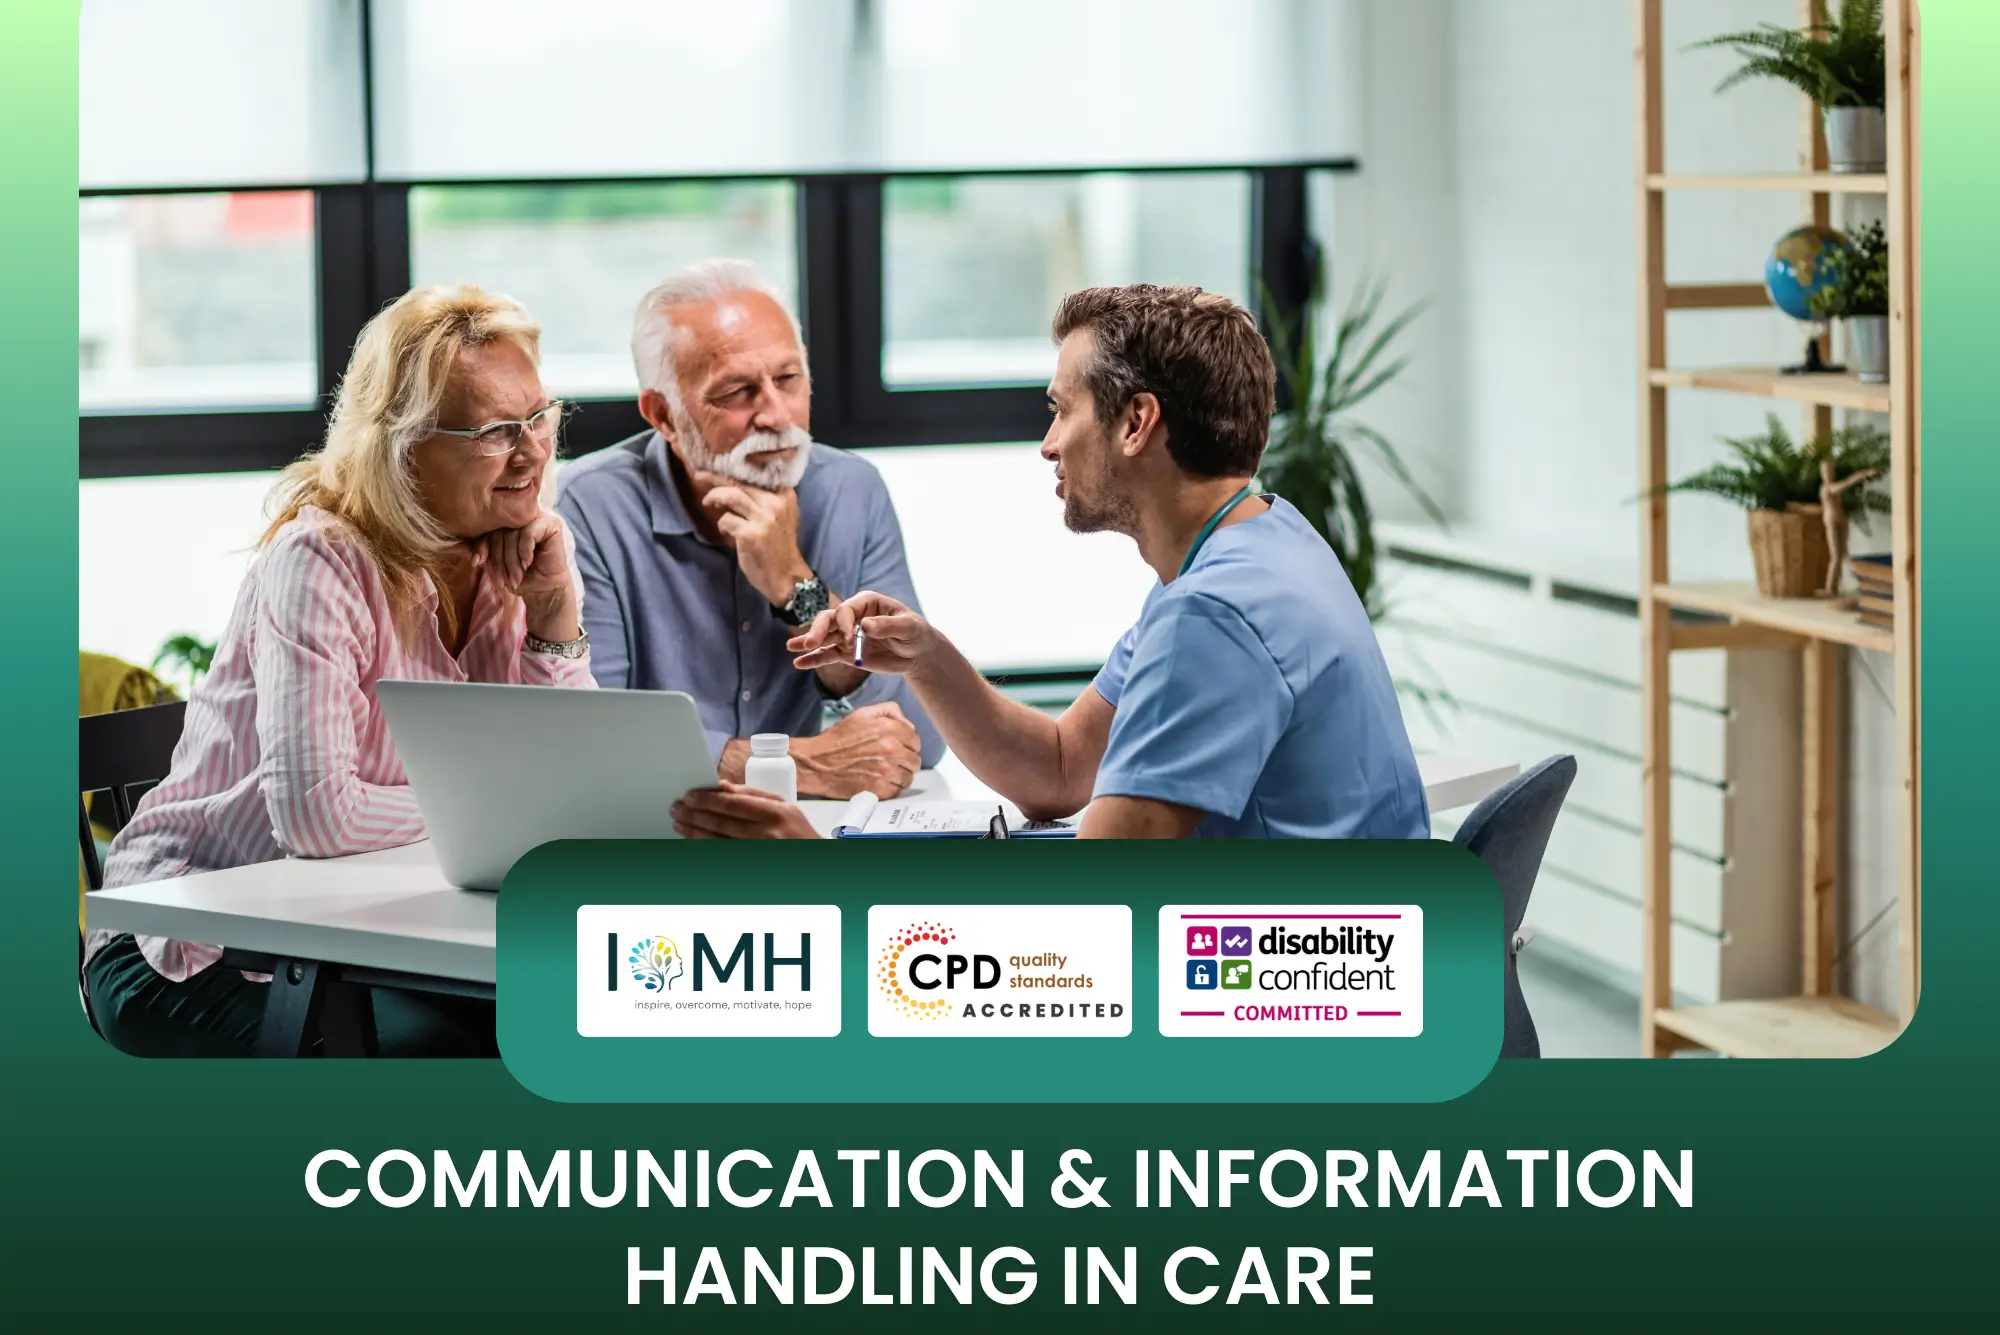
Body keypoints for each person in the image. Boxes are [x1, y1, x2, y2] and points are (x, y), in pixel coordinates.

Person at [670, 284, 1429, 842]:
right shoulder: (1256, 548)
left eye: (1062, 409)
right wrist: (927, 659)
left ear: (1136, 424)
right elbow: (1062, 771)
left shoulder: (1215, 616)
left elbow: (1078, 928)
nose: (1047, 442)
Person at [85, 284, 594, 1056]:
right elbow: (318, 816)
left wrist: (554, 613)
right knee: (461, 1050)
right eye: (495, 430)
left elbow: (563, 781)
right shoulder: (320, 557)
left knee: (584, 1015)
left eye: (538, 415)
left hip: (363, 929)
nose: (532, 450)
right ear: (405, 444)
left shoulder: (511, 549)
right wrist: (501, 815)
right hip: (187, 946)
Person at [557, 259, 941, 800]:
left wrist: (796, 587)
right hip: (657, 842)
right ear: (664, 416)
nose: (777, 414)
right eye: (737, 391)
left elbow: (922, 736)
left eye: (789, 379)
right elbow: (591, 738)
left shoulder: (854, 490)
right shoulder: (587, 508)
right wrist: (792, 765)